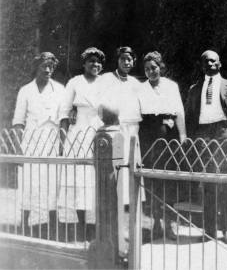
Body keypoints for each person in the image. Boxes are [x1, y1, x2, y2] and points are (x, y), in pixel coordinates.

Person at [185, 50, 227, 244]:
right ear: (201, 66)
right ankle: (209, 229)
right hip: (203, 135)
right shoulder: (194, 89)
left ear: (219, 63)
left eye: (212, 61)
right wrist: (193, 137)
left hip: (224, 133)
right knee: (207, 183)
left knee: (225, 181)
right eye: (205, 62)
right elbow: (190, 116)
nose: (209, 64)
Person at [12, 52, 64, 236]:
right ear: (36, 67)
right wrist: (19, 148)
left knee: (52, 181)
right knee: (29, 181)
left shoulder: (60, 89)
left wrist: (61, 144)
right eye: (44, 66)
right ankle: (25, 223)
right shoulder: (26, 90)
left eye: (51, 66)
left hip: (52, 138)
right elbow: (18, 121)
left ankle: (52, 223)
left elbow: (63, 118)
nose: (48, 70)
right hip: (31, 140)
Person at [58, 47, 105, 240]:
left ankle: (98, 226)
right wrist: (62, 142)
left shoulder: (107, 82)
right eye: (91, 61)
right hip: (78, 134)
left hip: (100, 129)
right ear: (84, 63)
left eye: (99, 61)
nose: (95, 64)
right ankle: (83, 224)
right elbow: (64, 111)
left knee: (98, 177)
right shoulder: (74, 82)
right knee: (79, 177)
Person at [138, 51, 187, 240]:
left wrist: (182, 135)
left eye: (154, 67)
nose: (151, 71)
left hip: (168, 134)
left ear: (161, 67)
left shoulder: (171, 86)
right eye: (147, 69)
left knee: (168, 178)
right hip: (148, 135)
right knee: (152, 179)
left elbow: (180, 111)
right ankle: (156, 224)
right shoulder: (140, 88)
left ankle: (169, 225)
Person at [99, 46, 143, 256]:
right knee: (116, 181)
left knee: (132, 179)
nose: (127, 62)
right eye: (123, 59)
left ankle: (130, 231)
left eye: (130, 59)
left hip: (133, 133)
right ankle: (115, 233)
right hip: (115, 132)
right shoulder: (107, 79)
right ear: (117, 60)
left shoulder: (136, 83)